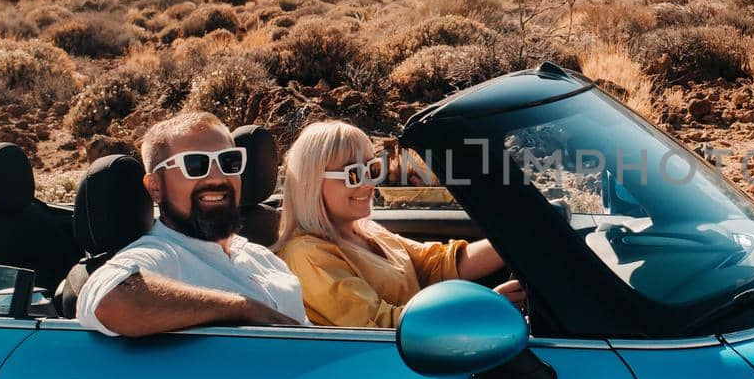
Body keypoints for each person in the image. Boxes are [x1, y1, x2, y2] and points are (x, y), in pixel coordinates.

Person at [77, 111, 310, 337]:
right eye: (196, 165)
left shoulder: (262, 257)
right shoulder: (157, 255)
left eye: (229, 161)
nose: (218, 177)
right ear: (155, 187)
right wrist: (242, 308)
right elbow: (108, 298)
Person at [274, 120, 522, 328]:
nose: (369, 184)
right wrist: (478, 309)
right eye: (353, 174)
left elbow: (434, 264)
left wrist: (518, 238)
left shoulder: (366, 231)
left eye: (372, 168)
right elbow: (381, 324)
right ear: (311, 183)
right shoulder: (307, 254)